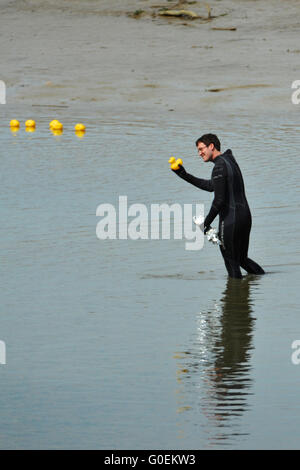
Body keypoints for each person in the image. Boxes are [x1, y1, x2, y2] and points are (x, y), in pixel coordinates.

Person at [172, 133, 265, 279]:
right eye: (198, 150)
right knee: (241, 259)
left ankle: (234, 301)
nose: (199, 153)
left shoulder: (219, 167)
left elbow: (219, 201)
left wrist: (205, 224)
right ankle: (264, 281)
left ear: (211, 146)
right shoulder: (229, 160)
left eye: (201, 149)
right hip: (245, 217)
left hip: (230, 220)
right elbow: (211, 186)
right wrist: (184, 174)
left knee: (232, 265)